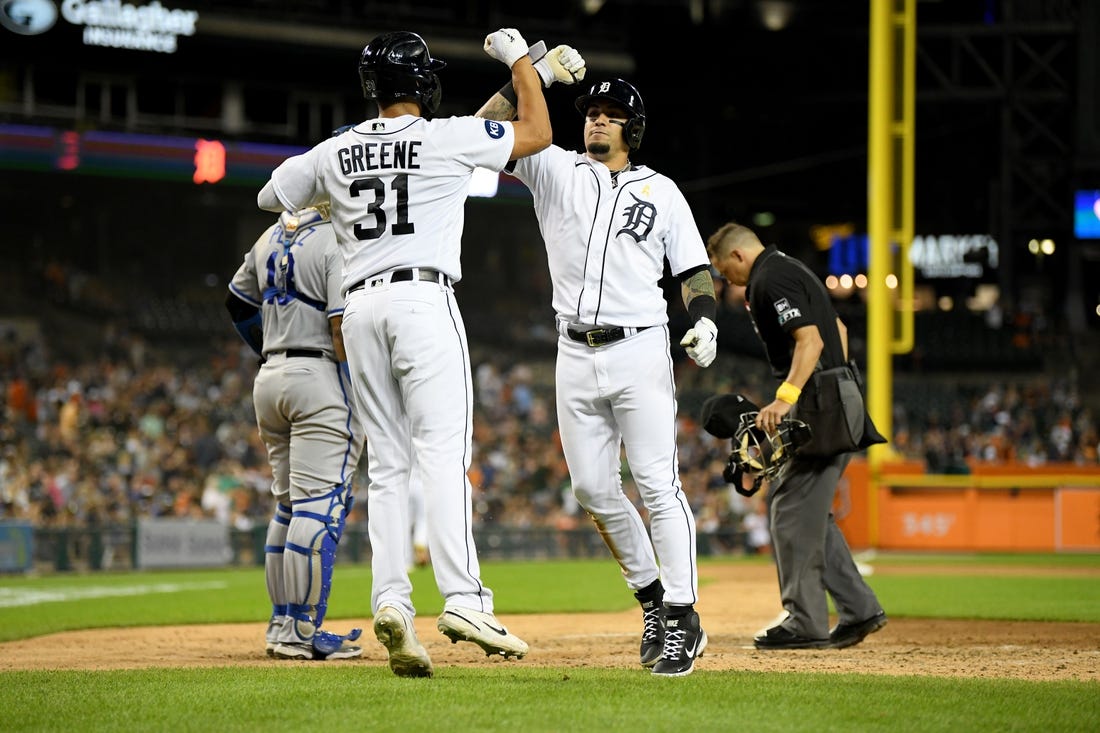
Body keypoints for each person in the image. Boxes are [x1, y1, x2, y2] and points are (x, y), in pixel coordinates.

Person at [257, 29, 564, 677]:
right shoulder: (443, 135)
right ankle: (463, 598)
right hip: (422, 299)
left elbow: (271, 196)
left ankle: (392, 599)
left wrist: (328, 190)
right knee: (443, 454)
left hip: (360, 308)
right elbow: (535, 131)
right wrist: (519, 62)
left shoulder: (337, 148)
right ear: (421, 83)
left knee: (389, 467)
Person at [477, 77, 719, 676]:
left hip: (639, 347)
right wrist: (525, 74)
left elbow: (693, 271)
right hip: (573, 352)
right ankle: (653, 599)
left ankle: (684, 616)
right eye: (592, 113)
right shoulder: (552, 167)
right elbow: (476, 133)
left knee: (658, 483)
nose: (597, 122)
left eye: (611, 115)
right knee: (590, 489)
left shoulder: (661, 191)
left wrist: (707, 320)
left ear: (632, 129)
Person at [705, 221, 888, 650]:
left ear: (738, 256)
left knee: (789, 507)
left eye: (723, 270)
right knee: (806, 511)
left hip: (818, 398)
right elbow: (836, 330)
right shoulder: (789, 268)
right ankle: (859, 610)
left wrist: (788, 397)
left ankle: (805, 621)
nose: (724, 280)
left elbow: (811, 341)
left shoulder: (771, 277)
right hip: (832, 391)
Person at [226, 204, 365, 660]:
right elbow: (341, 328)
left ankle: (281, 622)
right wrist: (362, 392)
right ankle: (302, 631)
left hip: (270, 378)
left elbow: (237, 300)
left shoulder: (269, 235)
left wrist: (269, 346)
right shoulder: (337, 238)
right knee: (318, 508)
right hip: (318, 375)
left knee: (288, 507)